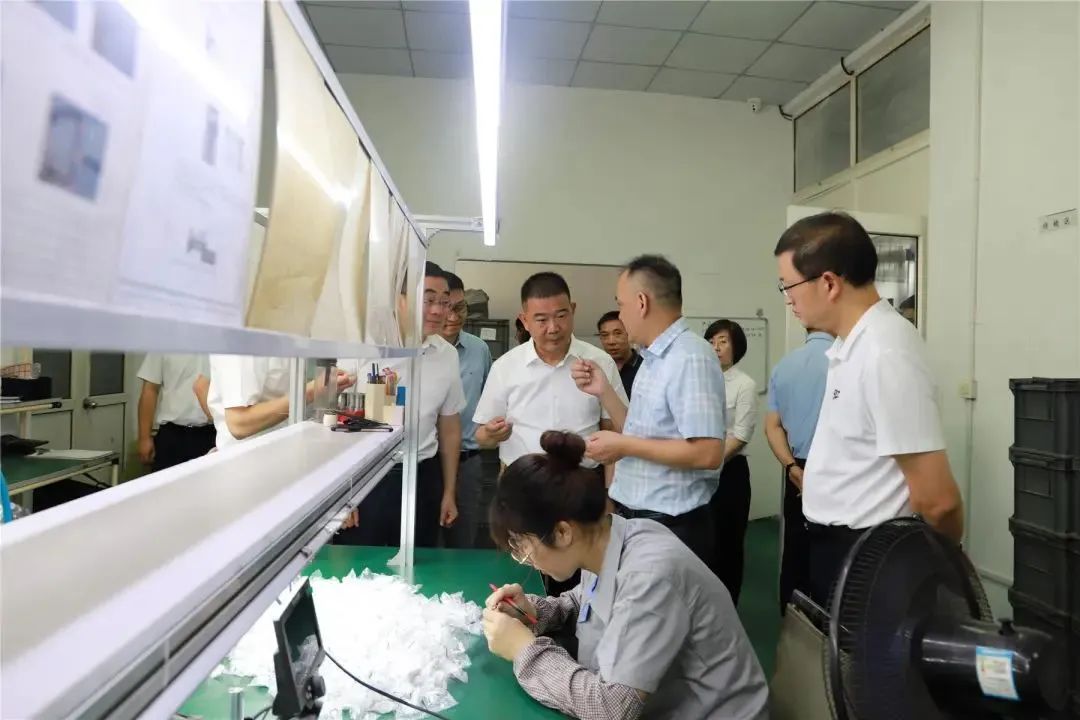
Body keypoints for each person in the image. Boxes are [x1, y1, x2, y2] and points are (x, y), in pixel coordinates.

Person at [482, 431, 769, 720]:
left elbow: (613, 708)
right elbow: (586, 604)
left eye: (524, 546)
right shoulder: (607, 540)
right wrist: (535, 612)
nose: (527, 560)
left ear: (562, 532)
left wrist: (523, 649)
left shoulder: (650, 575)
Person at [774, 211, 963, 607]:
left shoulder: (885, 351)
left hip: (871, 560)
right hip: (841, 549)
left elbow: (939, 501)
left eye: (788, 285)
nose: (787, 298)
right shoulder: (850, 344)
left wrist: (937, 567)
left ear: (828, 283)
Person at [474, 271, 627, 597]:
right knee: (526, 578)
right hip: (523, 490)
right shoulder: (506, 367)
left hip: (581, 488)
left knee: (586, 583)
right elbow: (481, 437)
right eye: (541, 319)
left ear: (573, 310)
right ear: (524, 320)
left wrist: (609, 494)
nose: (553, 328)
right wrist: (492, 433)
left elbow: (614, 431)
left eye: (561, 316)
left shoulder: (598, 362)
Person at [572, 255, 725, 566]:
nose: (620, 316)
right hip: (642, 518)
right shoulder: (653, 358)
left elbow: (707, 453)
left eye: (621, 305)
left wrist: (623, 446)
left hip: (670, 525)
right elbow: (641, 432)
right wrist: (605, 391)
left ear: (641, 303)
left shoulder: (690, 356)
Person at [338, 261, 466, 548]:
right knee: (361, 561)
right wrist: (343, 494)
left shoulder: (446, 355)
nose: (438, 310)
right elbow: (338, 424)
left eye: (444, 302)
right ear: (400, 299)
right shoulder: (362, 346)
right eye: (428, 300)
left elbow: (449, 427)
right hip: (367, 478)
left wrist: (449, 491)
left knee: (419, 562)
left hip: (423, 477)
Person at [765, 328, 833, 614]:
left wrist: (791, 466)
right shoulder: (845, 361)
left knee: (796, 547)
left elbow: (772, 426)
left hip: (797, 467)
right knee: (834, 553)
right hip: (837, 468)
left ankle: (793, 621)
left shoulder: (784, 365)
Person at [704, 319, 756, 604]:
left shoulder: (744, 384)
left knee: (728, 544)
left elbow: (741, 436)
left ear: (736, 347)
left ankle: (728, 607)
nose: (716, 347)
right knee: (704, 543)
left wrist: (709, 460)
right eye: (711, 341)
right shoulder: (698, 380)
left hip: (729, 473)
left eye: (722, 341)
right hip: (698, 471)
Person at [441, 271, 493, 548]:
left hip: (468, 461)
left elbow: (489, 402)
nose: (453, 316)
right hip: (427, 462)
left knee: (464, 540)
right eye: (446, 307)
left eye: (460, 308)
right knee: (426, 542)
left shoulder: (479, 349)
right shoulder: (416, 351)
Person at [136, 354, 215, 471]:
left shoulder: (224, 345)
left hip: (213, 434)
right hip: (172, 436)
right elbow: (150, 389)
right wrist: (144, 438)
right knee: (166, 482)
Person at [597, 310, 643, 399]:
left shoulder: (645, 367)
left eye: (618, 333)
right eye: (605, 335)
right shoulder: (598, 368)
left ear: (629, 333)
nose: (611, 341)